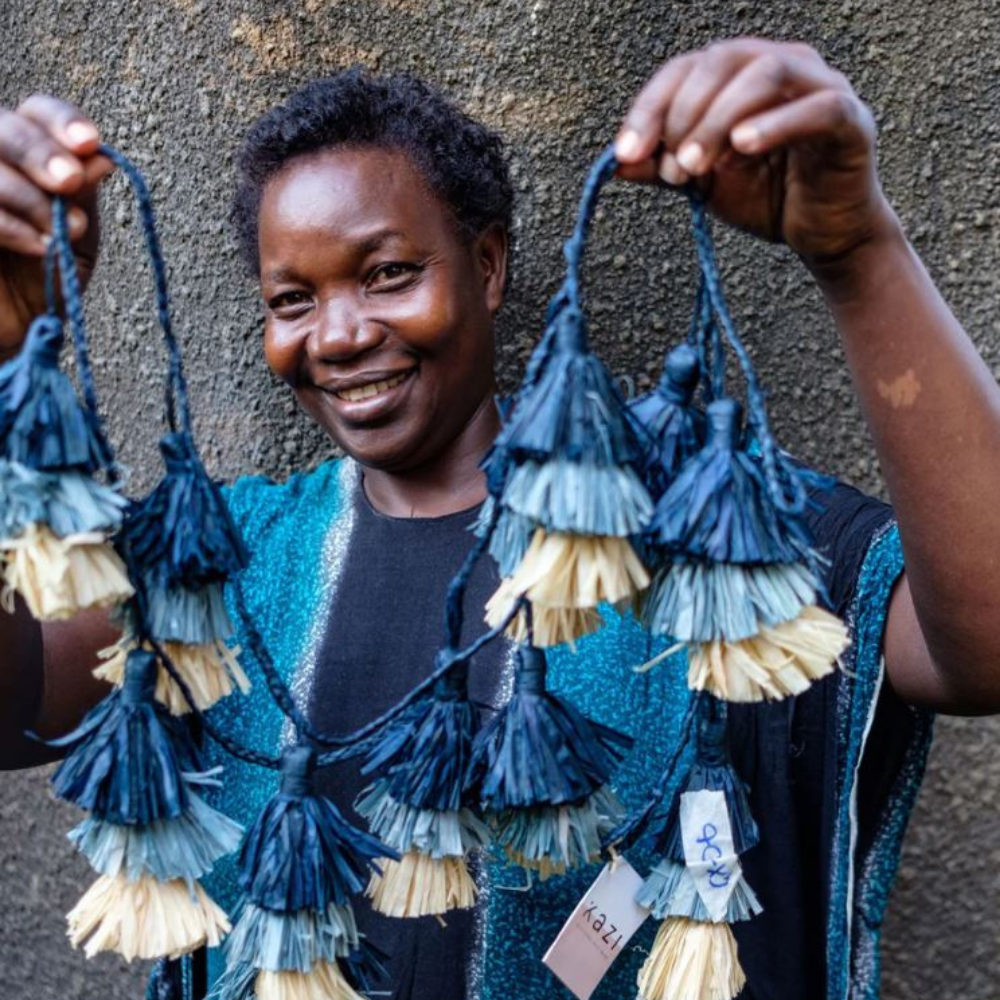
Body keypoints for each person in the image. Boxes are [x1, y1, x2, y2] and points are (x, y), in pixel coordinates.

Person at [1, 36, 999, 1000]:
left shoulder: (692, 530)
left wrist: (858, 249)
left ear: (484, 266)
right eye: (292, 298)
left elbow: (980, 645)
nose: (340, 333)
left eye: (389, 272)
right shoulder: (220, 559)